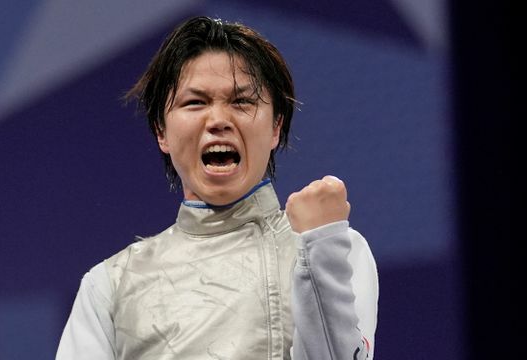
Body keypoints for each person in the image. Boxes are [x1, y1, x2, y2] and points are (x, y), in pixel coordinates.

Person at [56, 16, 378, 360]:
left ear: (275, 127)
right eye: (195, 102)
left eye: (242, 101)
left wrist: (319, 247)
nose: (219, 120)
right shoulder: (111, 285)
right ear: (161, 132)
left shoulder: (333, 249)